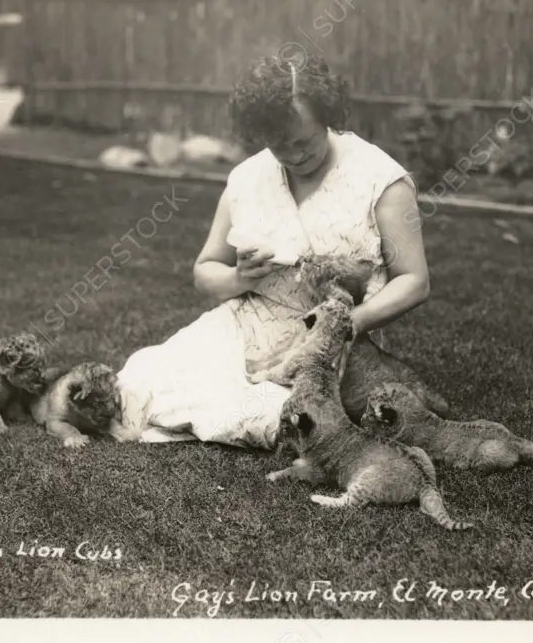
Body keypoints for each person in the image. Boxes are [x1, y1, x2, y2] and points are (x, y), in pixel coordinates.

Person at [116, 54, 430, 449]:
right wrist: (239, 277)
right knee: (139, 383)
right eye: (279, 147)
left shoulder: (380, 179)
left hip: (334, 340)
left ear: (328, 119)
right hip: (248, 323)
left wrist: (347, 325)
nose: (294, 156)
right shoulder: (248, 177)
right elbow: (204, 270)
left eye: (304, 142)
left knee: (278, 421)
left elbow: (415, 281)